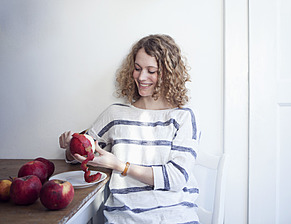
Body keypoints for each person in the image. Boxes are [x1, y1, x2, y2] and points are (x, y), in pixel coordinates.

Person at [59, 34, 200, 224]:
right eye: (137, 68)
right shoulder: (116, 114)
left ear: (168, 74)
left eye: (151, 71)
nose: (141, 77)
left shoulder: (183, 117)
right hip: (125, 219)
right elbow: (82, 154)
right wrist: (69, 146)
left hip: (176, 217)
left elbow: (175, 178)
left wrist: (120, 166)